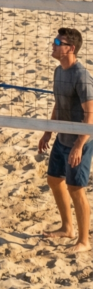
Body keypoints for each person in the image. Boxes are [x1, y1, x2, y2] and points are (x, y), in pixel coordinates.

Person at [38, 29, 93, 254]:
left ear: (70, 48)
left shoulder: (81, 75)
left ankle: (83, 240)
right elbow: (58, 105)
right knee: (53, 180)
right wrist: (48, 133)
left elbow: (90, 114)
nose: (53, 44)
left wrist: (79, 145)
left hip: (81, 139)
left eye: (57, 42)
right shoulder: (58, 71)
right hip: (62, 137)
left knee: (76, 188)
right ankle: (67, 227)